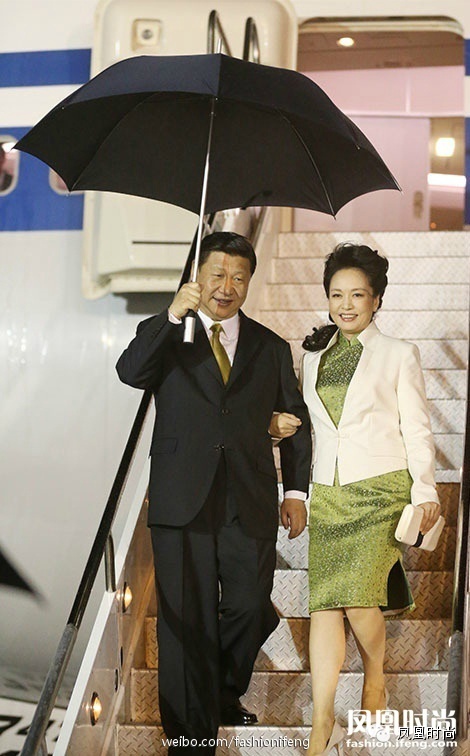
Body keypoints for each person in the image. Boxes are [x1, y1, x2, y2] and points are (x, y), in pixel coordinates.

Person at [116, 231, 312, 754]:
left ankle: (221, 692)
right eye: (217, 275)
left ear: (249, 283)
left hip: (248, 498)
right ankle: (190, 738)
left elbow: (298, 422)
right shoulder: (167, 333)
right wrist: (171, 315)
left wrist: (296, 491)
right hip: (182, 498)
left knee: (249, 605)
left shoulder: (270, 347)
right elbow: (130, 372)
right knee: (184, 621)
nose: (226, 287)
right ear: (198, 277)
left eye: (238, 278)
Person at [270, 243, 441, 756]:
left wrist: (426, 489)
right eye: (336, 295)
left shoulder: (399, 353)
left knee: (358, 598)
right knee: (325, 604)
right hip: (328, 492)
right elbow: (308, 429)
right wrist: (275, 430)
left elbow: (418, 428)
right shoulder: (313, 357)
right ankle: (322, 720)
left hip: (380, 490)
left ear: (376, 299)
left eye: (357, 295)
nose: (346, 305)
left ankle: (375, 675)